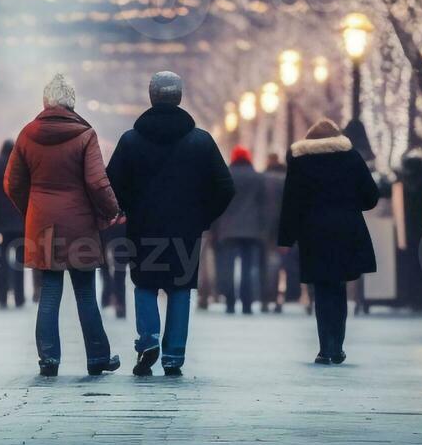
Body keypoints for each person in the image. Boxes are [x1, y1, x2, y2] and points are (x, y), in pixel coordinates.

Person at [106, 71, 233, 377]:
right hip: (185, 230)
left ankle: (148, 340)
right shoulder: (200, 141)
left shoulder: (130, 140)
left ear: (151, 97)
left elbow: (110, 184)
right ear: (180, 97)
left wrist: (123, 209)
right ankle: (174, 356)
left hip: (143, 227)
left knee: (145, 284)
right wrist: (203, 217)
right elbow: (225, 187)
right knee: (180, 288)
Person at [5, 74, 122, 377]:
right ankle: (98, 358)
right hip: (80, 223)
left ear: (45, 102)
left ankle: (49, 359)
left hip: (42, 222)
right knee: (85, 293)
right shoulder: (85, 135)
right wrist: (112, 210)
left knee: (50, 291)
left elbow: (12, 183)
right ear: (72, 103)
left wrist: (30, 210)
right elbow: (97, 182)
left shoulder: (27, 134)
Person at [279, 119, 380, 365]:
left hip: (313, 231)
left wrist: (286, 238)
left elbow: (291, 203)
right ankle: (338, 346)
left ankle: (325, 348)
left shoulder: (300, 161)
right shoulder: (351, 157)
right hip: (346, 230)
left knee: (322, 289)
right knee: (338, 286)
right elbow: (371, 197)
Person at [212, 146, 266, 315]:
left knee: (227, 267)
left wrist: (215, 228)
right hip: (252, 230)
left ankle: (229, 302)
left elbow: (216, 204)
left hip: (228, 229)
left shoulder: (224, 175)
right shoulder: (258, 178)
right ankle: (247, 304)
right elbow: (264, 205)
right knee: (249, 268)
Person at [0, 140, 26, 308]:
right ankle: (19, 297)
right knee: (19, 262)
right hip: (21, 223)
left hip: (0, 223)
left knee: (1, 261)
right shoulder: (22, 165)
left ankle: (2, 296)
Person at [260, 152, 291, 312]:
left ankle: (266, 298)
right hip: (282, 227)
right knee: (282, 265)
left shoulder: (263, 179)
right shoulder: (286, 179)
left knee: (265, 264)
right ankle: (280, 298)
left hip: (265, 228)